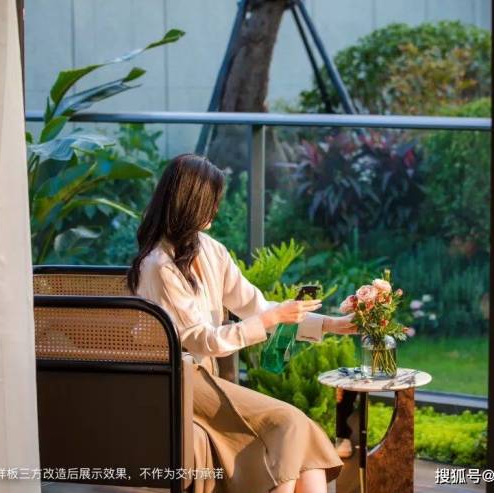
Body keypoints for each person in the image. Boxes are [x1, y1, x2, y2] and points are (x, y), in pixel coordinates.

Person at [128, 153, 357, 493]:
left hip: (203, 378)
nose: (216, 208)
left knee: (301, 434)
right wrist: (269, 318)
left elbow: (257, 307)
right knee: (291, 423)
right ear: (191, 202)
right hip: (176, 381)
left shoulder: (209, 250)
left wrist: (332, 325)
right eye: (212, 200)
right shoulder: (158, 265)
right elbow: (203, 340)